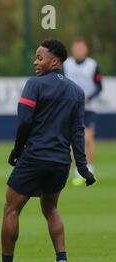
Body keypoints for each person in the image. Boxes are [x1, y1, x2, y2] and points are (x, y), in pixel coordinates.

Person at [0, 40, 96, 262]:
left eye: (40, 57)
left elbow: (24, 122)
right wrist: (82, 168)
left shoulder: (35, 85)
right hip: (60, 162)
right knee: (50, 209)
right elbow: (77, 133)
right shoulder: (77, 92)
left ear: (55, 61)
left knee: (11, 209)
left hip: (34, 158)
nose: (35, 61)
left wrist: (17, 150)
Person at [64, 39, 103, 186]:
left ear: (86, 50)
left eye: (82, 48)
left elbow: (99, 86)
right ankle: (78, 170)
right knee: (73, 140)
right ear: (73, 50)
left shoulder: (92, 65)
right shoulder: (67, 64)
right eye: (76, 48)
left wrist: (89, 97)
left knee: (87, 138)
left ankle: (90, 167)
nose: (79, 50)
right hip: (72, 107)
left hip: (88, 108)